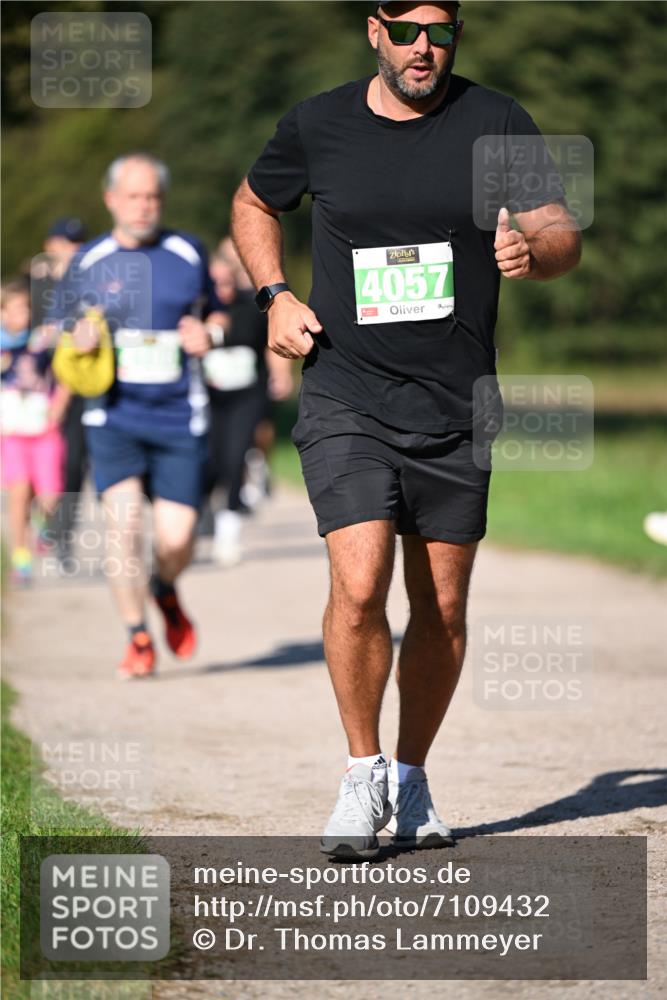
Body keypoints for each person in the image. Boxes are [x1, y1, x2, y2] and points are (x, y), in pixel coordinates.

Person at [232, 0, 581, 858]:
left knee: (444, 606)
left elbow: (560, 231)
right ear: (375, 32)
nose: (424, 48)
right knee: (359, 588)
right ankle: (361, 775)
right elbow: (251, 203)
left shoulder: (495, 120)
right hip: (346, 393)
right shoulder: (317, 123)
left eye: (441, 31)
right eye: (407, 30)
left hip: (456, 403)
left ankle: (413, 777)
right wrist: (273, 294)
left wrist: (535, 253)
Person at [51, 153, 228, 679]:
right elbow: (60, 325)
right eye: (134, 196)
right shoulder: (87, 260)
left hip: (179, 414)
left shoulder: (187, 250)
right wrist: (76, 335)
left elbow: (217, 309)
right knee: (123, 529)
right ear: (111, 199)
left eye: (153, 196)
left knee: (177, 539)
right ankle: (137, 635)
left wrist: (211, 333)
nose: (144, 206)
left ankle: (163, 587)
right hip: (114, 415)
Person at [205, 257, 292, 565]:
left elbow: (270, 344)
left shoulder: (252, 306)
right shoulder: (199, 308)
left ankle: (228, 531)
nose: (223, 289)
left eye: (227, 282)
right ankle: (206, 517)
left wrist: (280, 374)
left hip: (247, 396)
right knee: (212, 462)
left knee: (235, 455)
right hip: (210, 398)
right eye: (216, 285)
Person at [1, 279, 69, 585]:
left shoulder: (42, 342)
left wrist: (60, 405)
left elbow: (65, 373)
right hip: (12, 432)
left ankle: (42, 523)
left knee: (50, 494)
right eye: (13, 310)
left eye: (25, 309)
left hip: (43, 429)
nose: (21, 316)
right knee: (18, 495)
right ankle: (21, 559)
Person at [30, 217, 89, 568]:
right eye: (66, 243)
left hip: (75, 387)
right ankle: (45, 525)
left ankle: (61, 535)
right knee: (39, 467)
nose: (74, 251)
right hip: (38, 393)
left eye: (78, 244)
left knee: (71, 465)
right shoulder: (37, 286)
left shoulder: (89, 284)